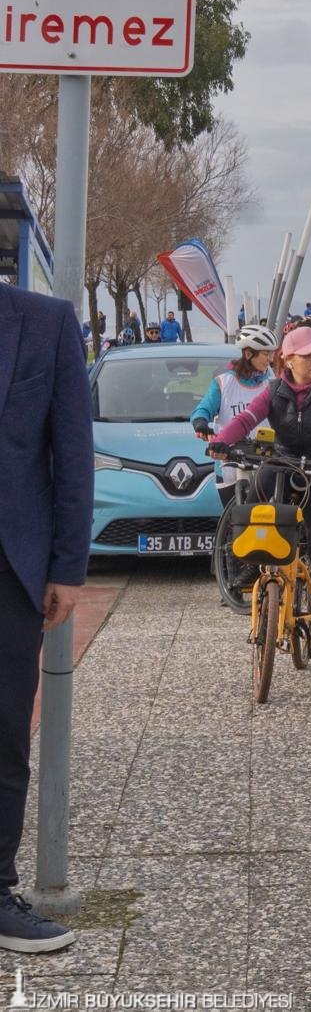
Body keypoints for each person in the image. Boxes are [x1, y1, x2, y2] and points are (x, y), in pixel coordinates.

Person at [0, 284, 91, 955]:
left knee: (4, 733)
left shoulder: (46, 322)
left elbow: (71, 453)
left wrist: (66, 566)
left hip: (11, 563)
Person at [212, 327, 311, 660]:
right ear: (288, 359)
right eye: (308, 355)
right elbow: (246, 419)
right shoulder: (274, 390)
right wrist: (221, 441)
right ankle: (251, 564)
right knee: (255, 500)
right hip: (283, 463)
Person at [190, 324, 279, 509]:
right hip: (229, 462)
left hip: (265, 461)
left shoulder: (272, 385)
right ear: (248, 354)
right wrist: (200, 424)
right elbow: (203, 409)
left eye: (272, 353)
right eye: (266, 353)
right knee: (236, 523)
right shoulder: (223, 382)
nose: (270, 359)